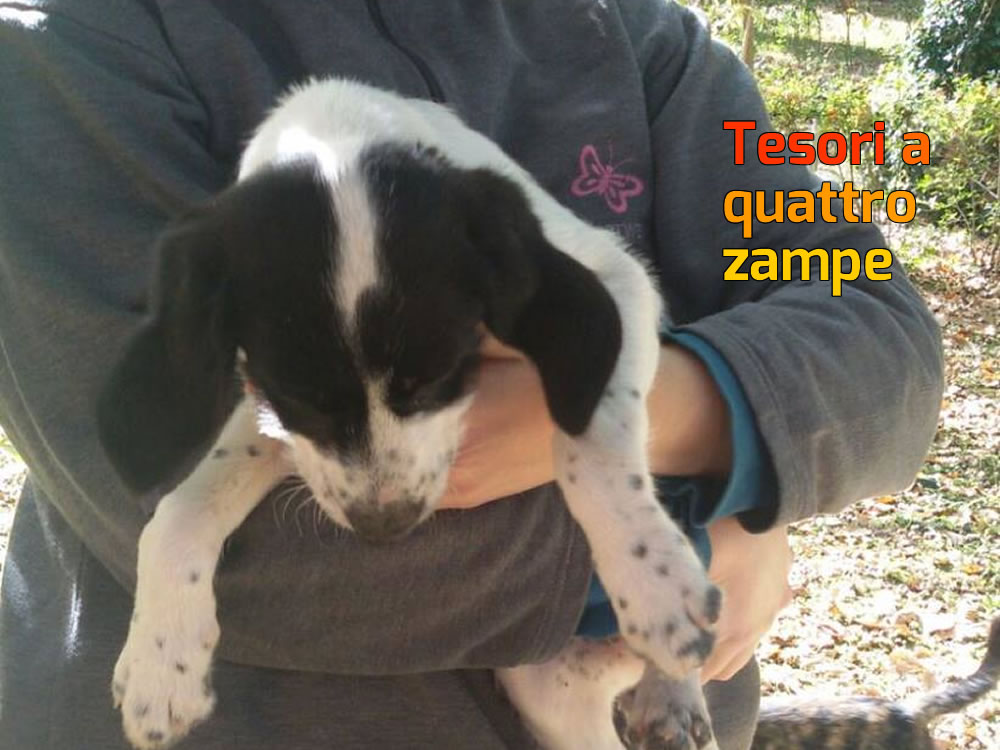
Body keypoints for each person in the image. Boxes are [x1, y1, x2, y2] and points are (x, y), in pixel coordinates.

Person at [0, 1, 943, 749]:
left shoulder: (642, 36)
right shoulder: (75, 49)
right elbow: (241, 547)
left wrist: (689, 416)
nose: (380, 492)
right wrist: (692, 544)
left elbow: (882, 330)